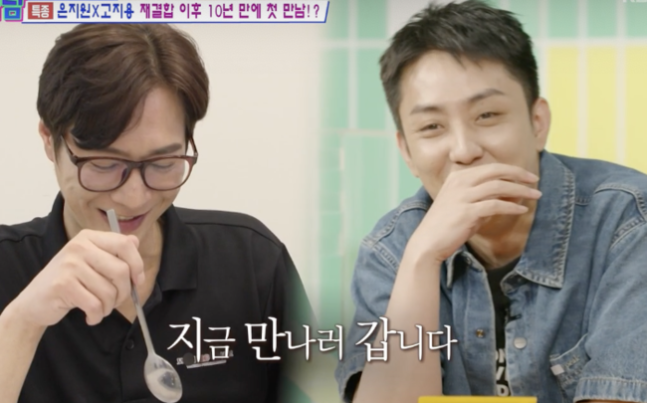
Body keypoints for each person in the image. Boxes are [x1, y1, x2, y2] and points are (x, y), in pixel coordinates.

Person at [335, 1, 647, 403]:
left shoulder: (628, 219)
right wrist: (422, 259)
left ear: (537, 122)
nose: (464, 150)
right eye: (432, 126)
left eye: (486, 115)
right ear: (407, 152)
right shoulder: (391, 251)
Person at [0, 23, 311, 403]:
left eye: (163, 163)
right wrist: (23, 322)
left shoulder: (251, 263)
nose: (134, 197)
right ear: (50, 140)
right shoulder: (7, 268)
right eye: (104, 164)